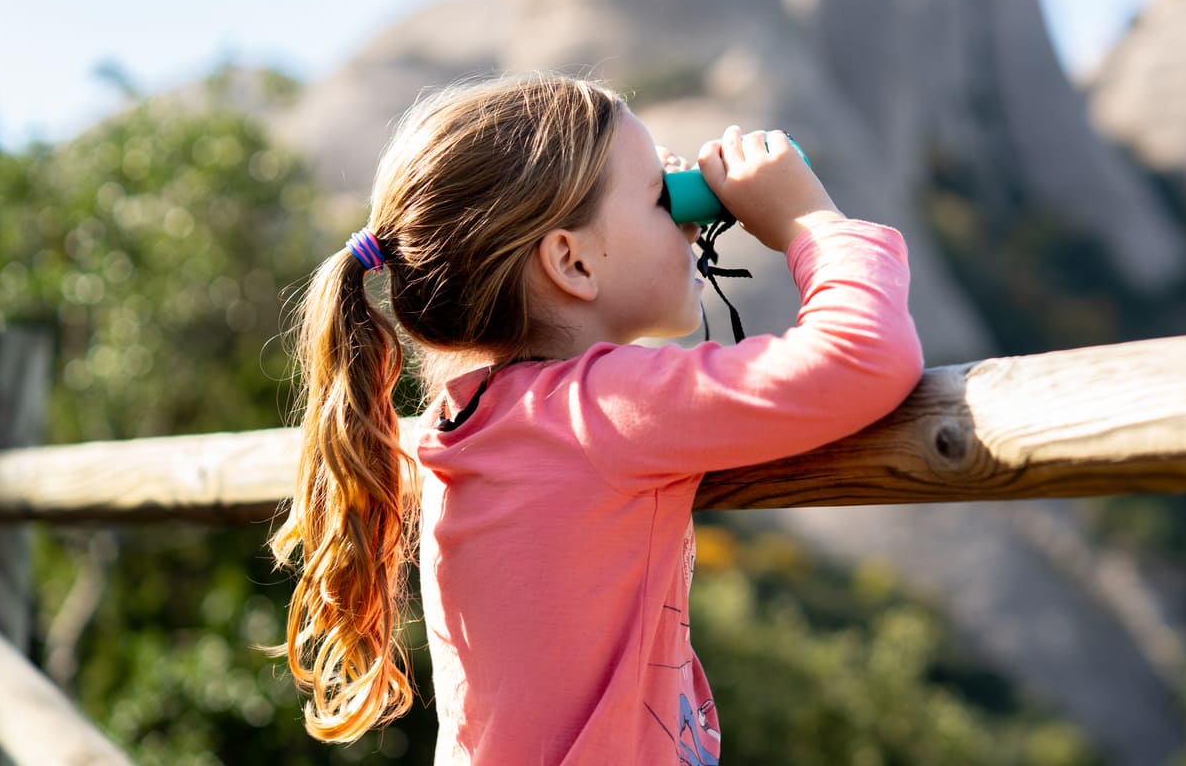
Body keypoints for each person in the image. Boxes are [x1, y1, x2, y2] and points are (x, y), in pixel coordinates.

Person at [270, 72, 924, 763]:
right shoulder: (598, 410)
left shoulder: (464, 425)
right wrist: (808, 220)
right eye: (658, 198)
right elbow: (864, 355)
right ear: (572, 262)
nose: (689, 216)